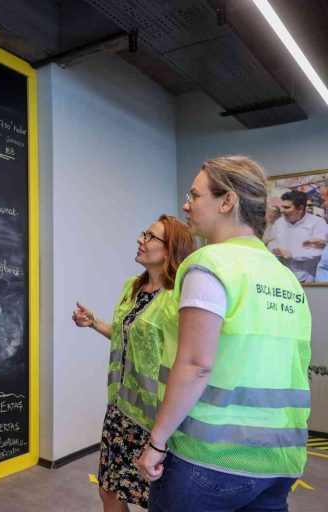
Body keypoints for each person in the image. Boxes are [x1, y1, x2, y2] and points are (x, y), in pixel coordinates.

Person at [137, 156, 312, 512]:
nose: (186, 205)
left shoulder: (211, 264)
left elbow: (196, 364)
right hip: (279, 461)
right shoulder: (285, 276)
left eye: (195, 195)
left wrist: (156, 442)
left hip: (209, 458)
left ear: (227, 201)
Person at [73, 215, 194, 511]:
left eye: (150, 236)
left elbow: (187, 357)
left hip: (157, 420)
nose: (141, 239)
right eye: (143, 233)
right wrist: (94, 323)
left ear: (170, 250)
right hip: (120, 409)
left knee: (157, 500)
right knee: (108, 490)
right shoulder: (133, 287)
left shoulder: (177, 297)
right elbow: (126, 337)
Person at [267, 189, 328, 282]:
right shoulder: (279, 223)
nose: (282, 211)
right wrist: (274, 250)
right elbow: (272, 242)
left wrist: (292, 255)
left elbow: (319, 250)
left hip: (308, 278)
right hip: (284, 277)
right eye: (282, 207)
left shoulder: (317, 223)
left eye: (287, 207)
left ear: (300, 209)